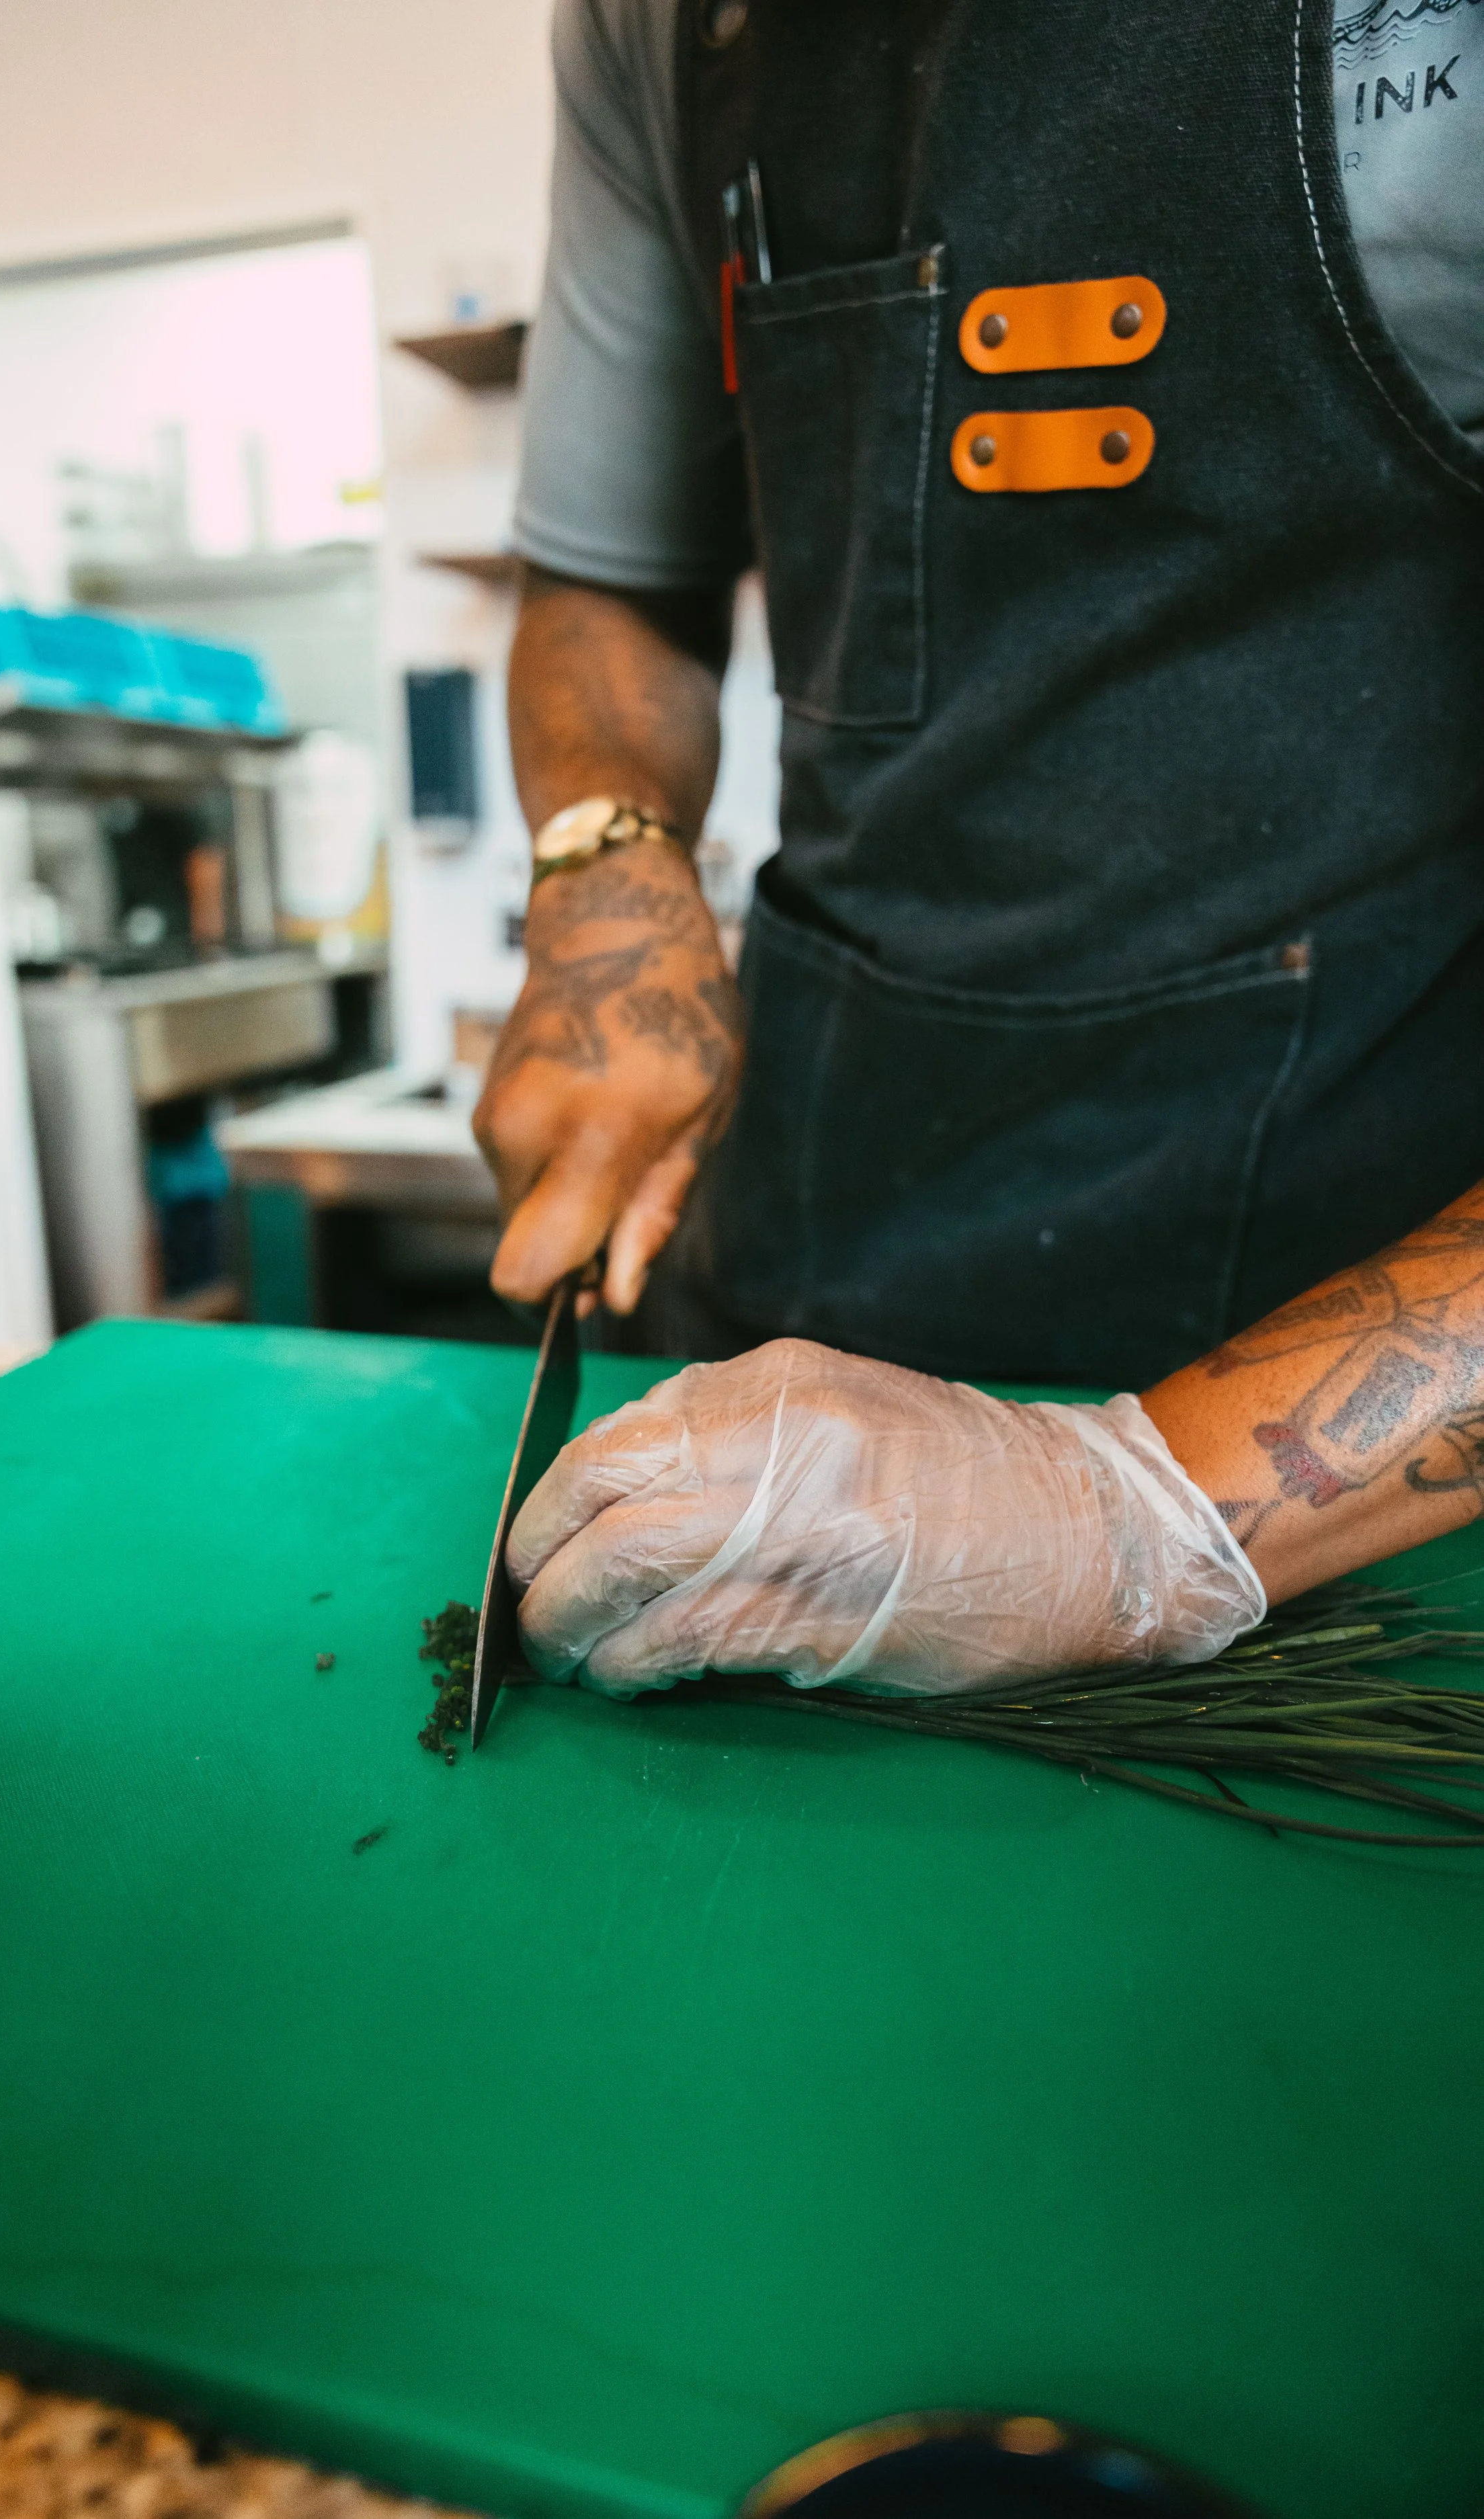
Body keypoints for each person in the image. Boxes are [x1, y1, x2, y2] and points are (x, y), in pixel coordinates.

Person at [474, 0, 1484, 1697]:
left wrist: (1137, 1513)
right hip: (813, 1228)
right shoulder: (652, 26)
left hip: (1342, 1403)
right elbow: (605, 585)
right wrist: (607, 862)